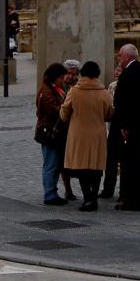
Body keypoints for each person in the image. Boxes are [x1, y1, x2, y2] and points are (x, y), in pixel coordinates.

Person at [59, 61, 113, 212]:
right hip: (97, 134)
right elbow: (109, 114)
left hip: (78, 134)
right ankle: (93, 197)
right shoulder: (104, 92)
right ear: (97, 74)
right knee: (96, 167)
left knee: (81, 167)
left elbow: (64, 113)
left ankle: (88, 198)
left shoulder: (74, 91)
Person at [112, 43, 140, 211]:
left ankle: (131, 200)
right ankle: (139, 197)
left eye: (120, 55)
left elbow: (128, 103)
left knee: (131, 166)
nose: (119, 58)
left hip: (131, 129)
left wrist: (125, 126)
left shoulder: (131, 74)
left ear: (127, 56)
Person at [35, 62, 69, 206]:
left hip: (55, 131)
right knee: (50, 163)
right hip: (49, 131)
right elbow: (54, 109)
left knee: (55, 163)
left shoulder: (56, 88)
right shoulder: (47, 90)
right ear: (55, 77)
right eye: (61, 77)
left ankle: (52, 191)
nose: (63, 80)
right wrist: (66, 108)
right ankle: (49, 194)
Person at [100, 63, 124, 198]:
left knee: (115, 160)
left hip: (119, 125)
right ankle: (108, 188)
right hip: (113, 126)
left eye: (119, 70)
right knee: (111, 161)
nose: (116, 72)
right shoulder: (112, 86)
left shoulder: (121, 86)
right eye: (116, 70)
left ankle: (114, 189)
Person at [59, 58, 82, 201]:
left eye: (74, 74)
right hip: (64, 129)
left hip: (77, 129)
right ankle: (68, 190)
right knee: (63, 161)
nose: (71, 77)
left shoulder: (80, 87)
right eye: (68, 73)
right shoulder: (59, 87)